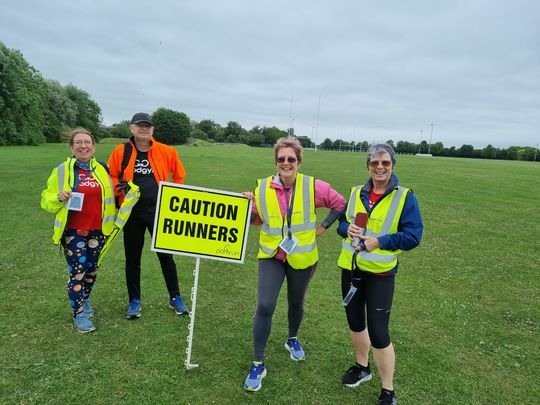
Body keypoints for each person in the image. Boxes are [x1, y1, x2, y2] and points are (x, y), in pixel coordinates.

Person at [242, 137, 346, 392]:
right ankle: (258, 363)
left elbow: (340, 203)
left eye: (291, 159)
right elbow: (257, 220)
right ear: (276, 162)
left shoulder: (313, 186)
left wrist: (323, 226)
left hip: (303, 257)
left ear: (299, 162)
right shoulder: (262, 187)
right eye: (281, 159)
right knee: (265, 305)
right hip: (271, 255)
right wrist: (247, 206)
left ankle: (292, 339)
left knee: (296, 302)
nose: (286, 163)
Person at [336, 144, 423, 405]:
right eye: (374, 163)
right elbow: (342, 221)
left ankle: (388, 390)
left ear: (392, 164)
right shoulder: (355, 192)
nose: (380, 167)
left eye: (385, 162)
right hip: (350, 268)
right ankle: (362, 367)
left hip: (381, 274)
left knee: (378, 331)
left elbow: (413, 236)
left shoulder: (405, 196)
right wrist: (346, 229)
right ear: (368, 166)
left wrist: (381, 241)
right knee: (354, 322)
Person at [108, 112, 189, 319]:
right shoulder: (121, 151)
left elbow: (179, 175)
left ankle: (175, 297)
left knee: (166, 256)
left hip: (158, 212)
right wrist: (119, 189)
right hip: (132, 213)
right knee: (132, 258)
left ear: (152, 129)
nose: (143, 129)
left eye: (147, 126)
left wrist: (172, 197)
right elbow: (112, 175)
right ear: (131, 128)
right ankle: (134, 300)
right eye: (139, 125)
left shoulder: (166, 151)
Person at [41, 128, 117, 333]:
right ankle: (79, 314)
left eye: (87, 142)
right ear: (72, 147)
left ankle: (84, 299)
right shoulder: (62, 170)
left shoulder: (102, 168)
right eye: (78, 143)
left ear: (93, 146)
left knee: (92, 270)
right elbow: (46, 200)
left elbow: (112, 196)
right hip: (74, 232)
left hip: (98, 230)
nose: (83, 146)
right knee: (78, 272)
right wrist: (57, 197)